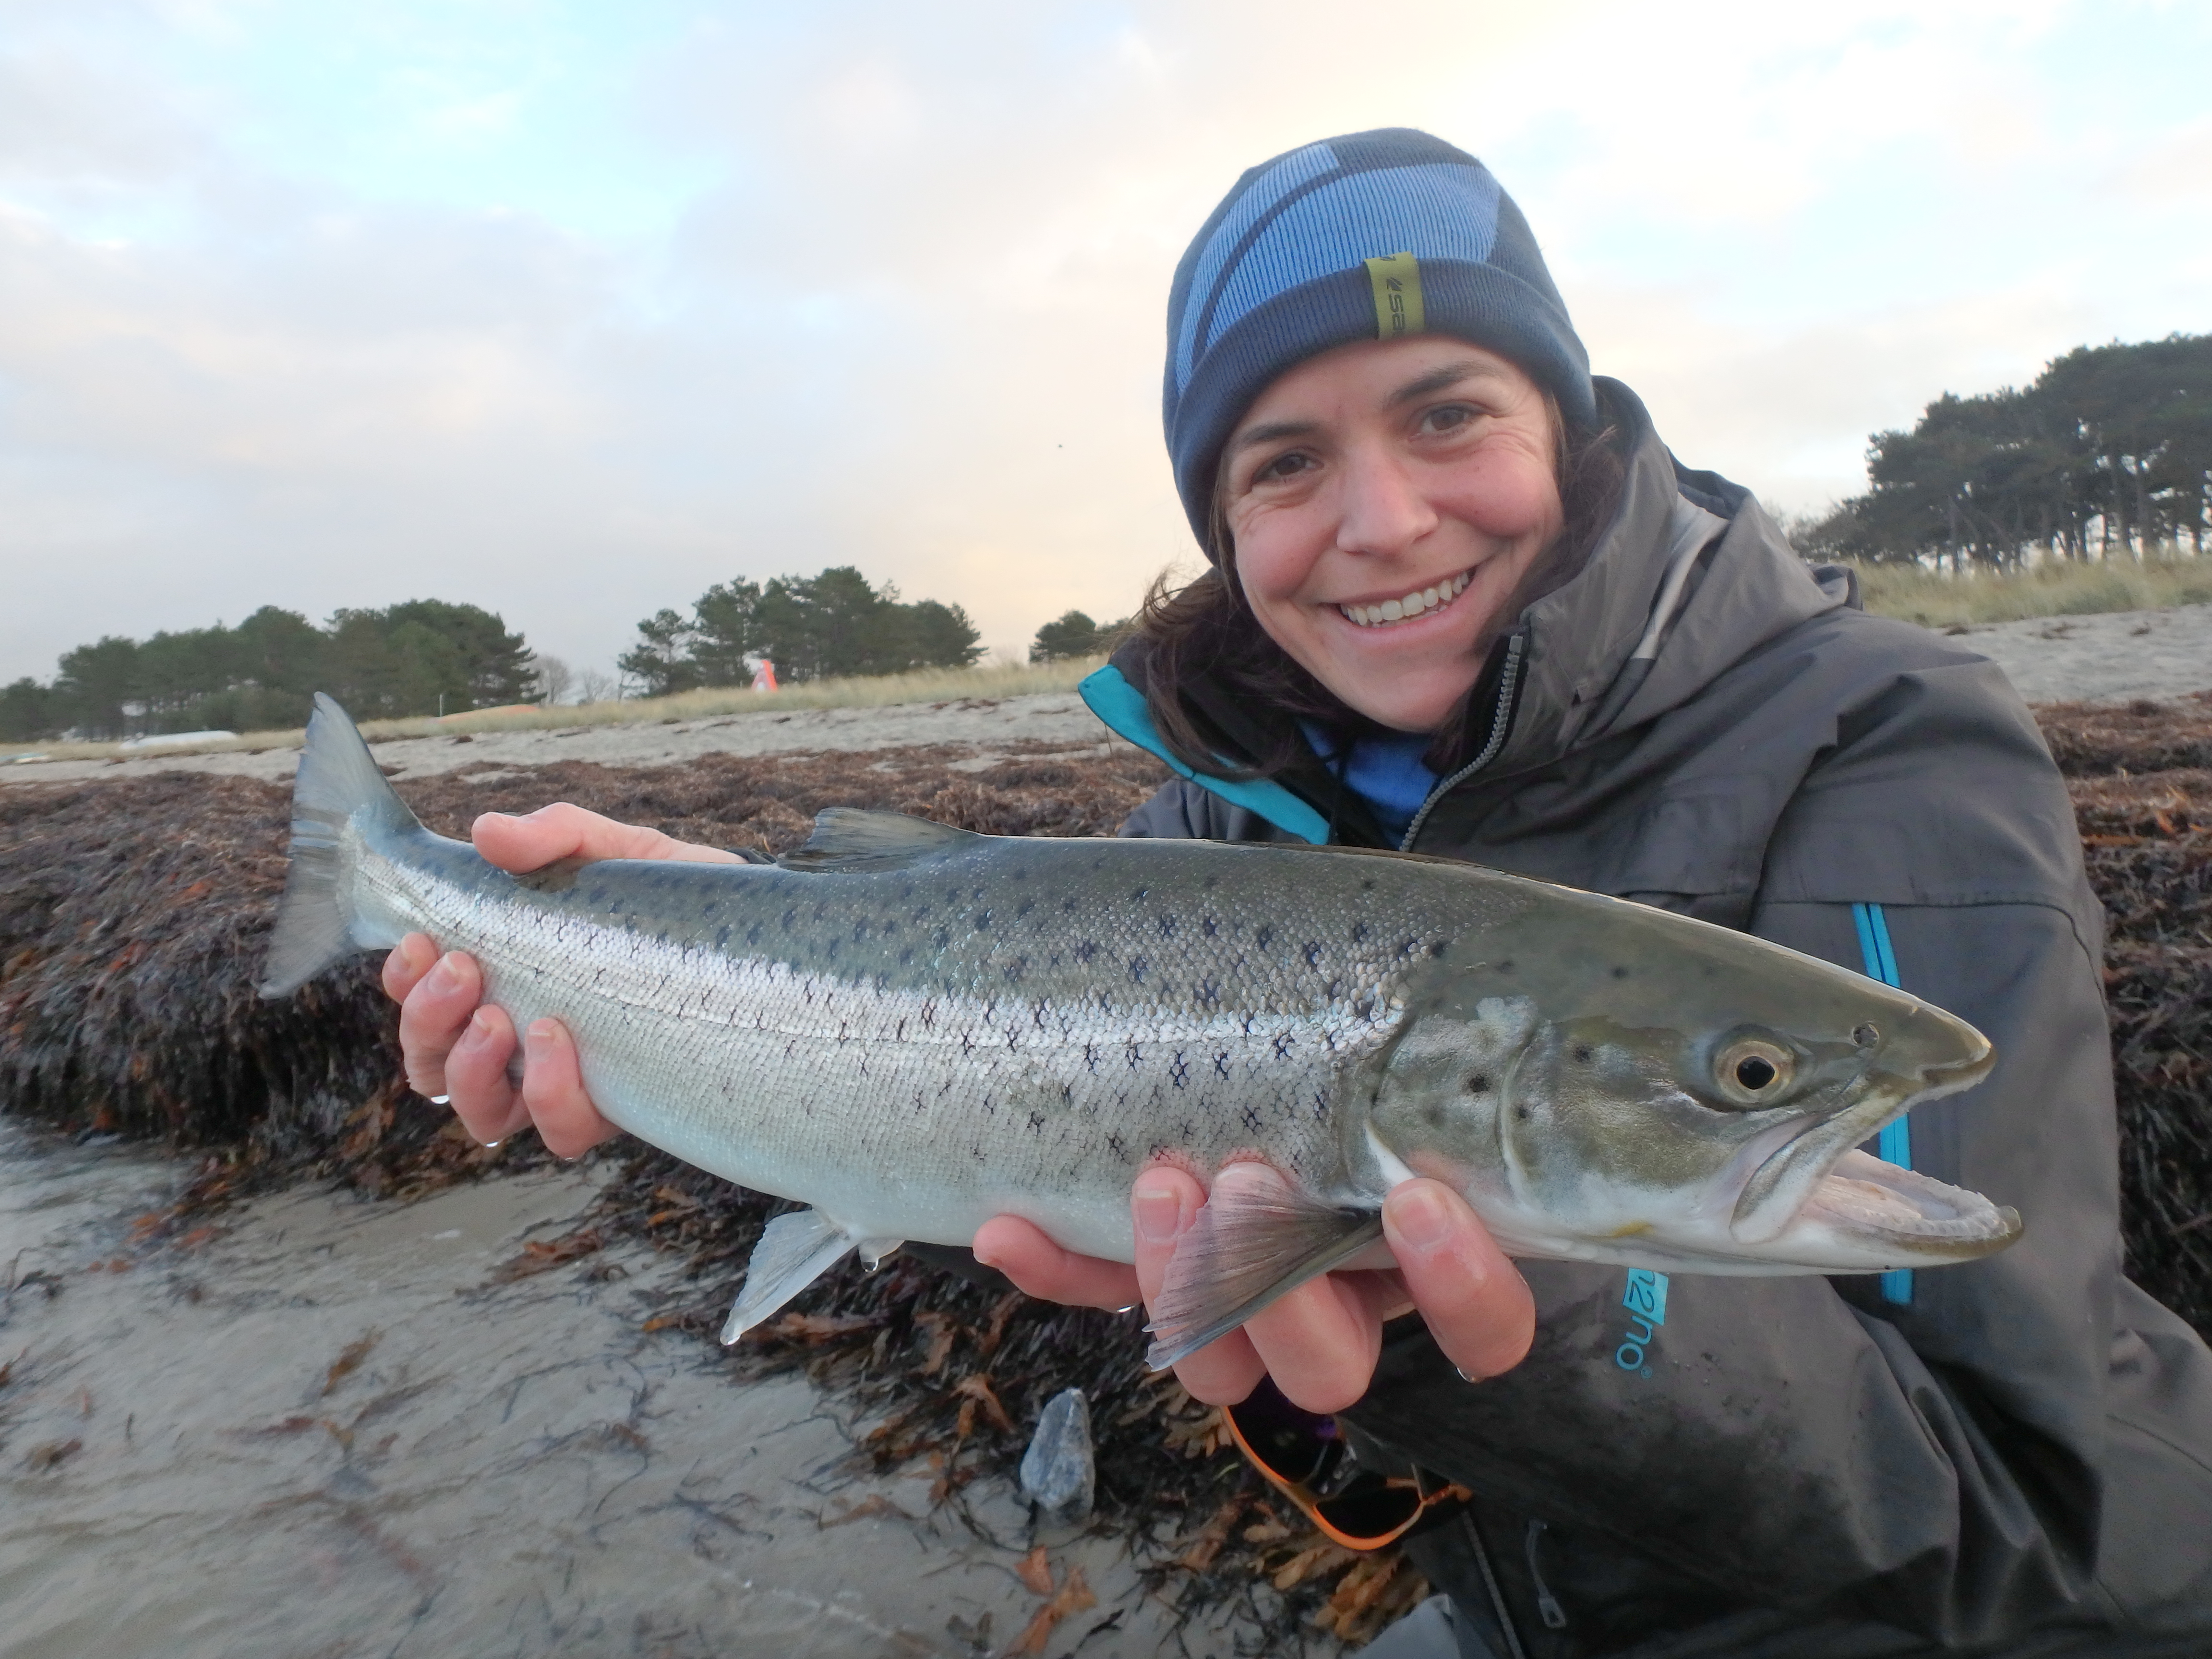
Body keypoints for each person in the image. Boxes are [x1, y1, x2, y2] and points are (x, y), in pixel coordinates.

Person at [384, 131, 2212, 1656]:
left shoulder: (1884, 739)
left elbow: (2044, 1526)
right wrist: (708, 955)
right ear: (1224, 527)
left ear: (1565, 430)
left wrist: (1523, 1309)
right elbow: (1283, 1369)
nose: (1386, 520)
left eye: (1446, 416)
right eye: (1284, 465)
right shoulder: (1229, 817)